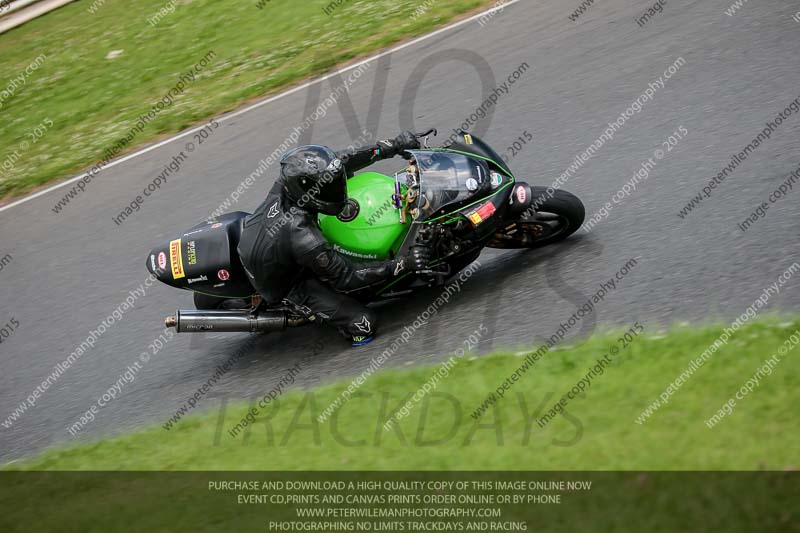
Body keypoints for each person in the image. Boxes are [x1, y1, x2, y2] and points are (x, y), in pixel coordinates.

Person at [237, 131, 430, 346]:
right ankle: (304, 308)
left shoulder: (291, 180)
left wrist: (391, 146)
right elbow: (347, 276)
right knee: (363, 325)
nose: (338, 188)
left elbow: (343, 161)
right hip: (290, 282)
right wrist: (402, 264)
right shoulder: (303, 236)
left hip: (265, 239)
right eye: (329, 189)